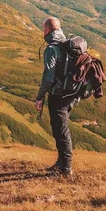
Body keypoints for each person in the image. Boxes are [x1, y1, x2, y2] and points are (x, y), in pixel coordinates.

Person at [35, 16, 76, 177]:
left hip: (58, 95)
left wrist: (40, 97)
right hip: (70, 94)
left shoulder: (52, 49)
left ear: (47, 30)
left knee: (61, 131)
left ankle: (66, 169)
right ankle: (60, 164)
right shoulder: (68, 44)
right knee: (60, 129)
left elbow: (48, 77)